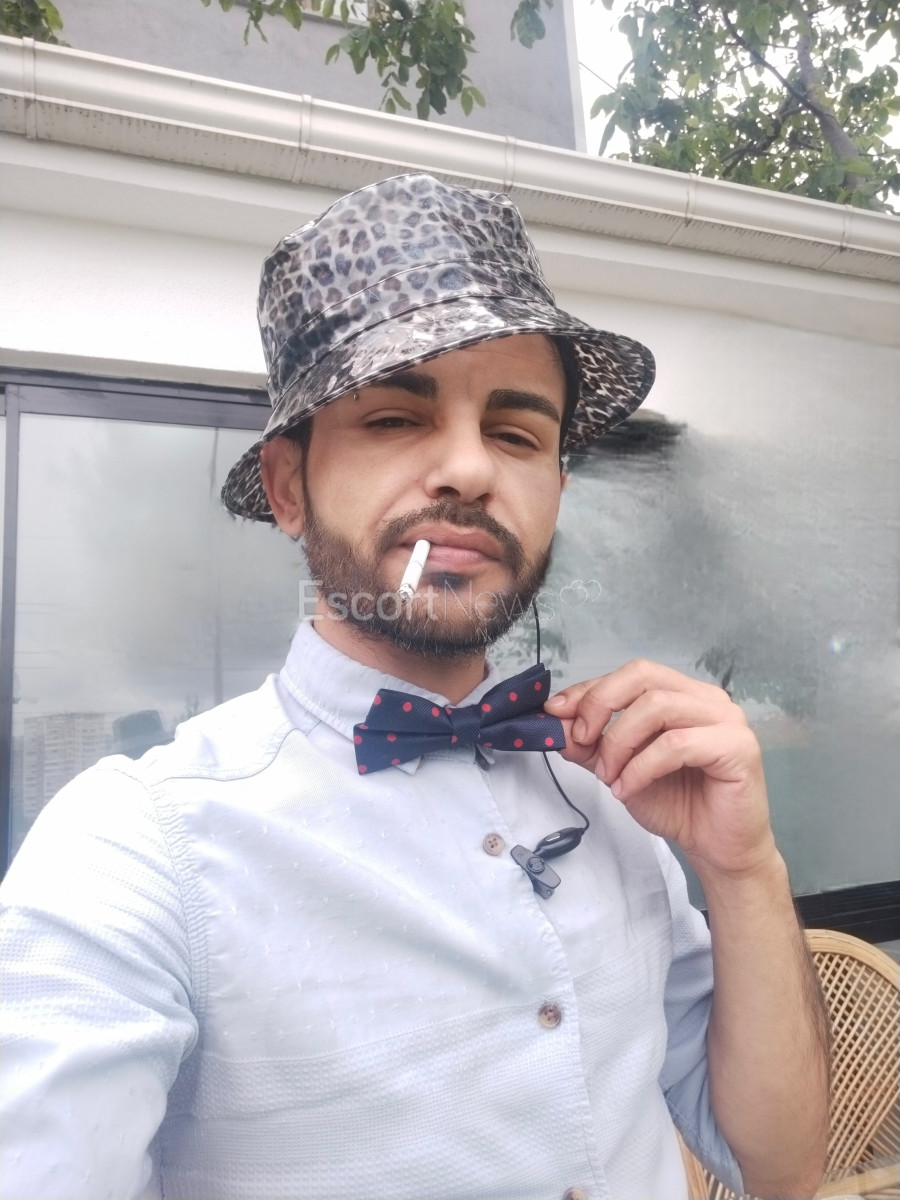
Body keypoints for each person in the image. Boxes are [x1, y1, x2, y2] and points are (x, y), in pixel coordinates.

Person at [1, 173, 828, 1200]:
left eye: (518, 434)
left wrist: (744, 870)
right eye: (396, 417)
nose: (471, 471)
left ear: (556, 491)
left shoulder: (620, 803)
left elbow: (780, 1167)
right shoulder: (138, 849)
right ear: (290, 486)